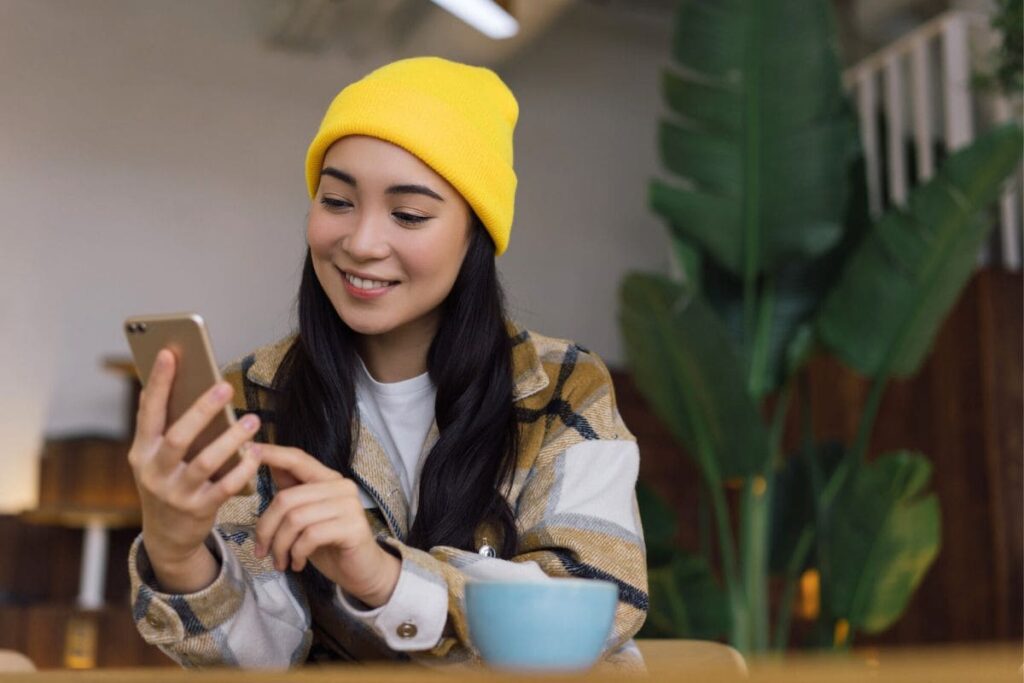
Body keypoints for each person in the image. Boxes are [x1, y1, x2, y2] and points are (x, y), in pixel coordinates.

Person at [126, 56, 648, 670]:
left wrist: (384, 577)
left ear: (475, 234)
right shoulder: (250, 397)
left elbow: (599, 604)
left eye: (409, 214)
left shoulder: (561, 388)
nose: (362, 242)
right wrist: (179, 550)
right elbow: (260, 660)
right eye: (338, 200)